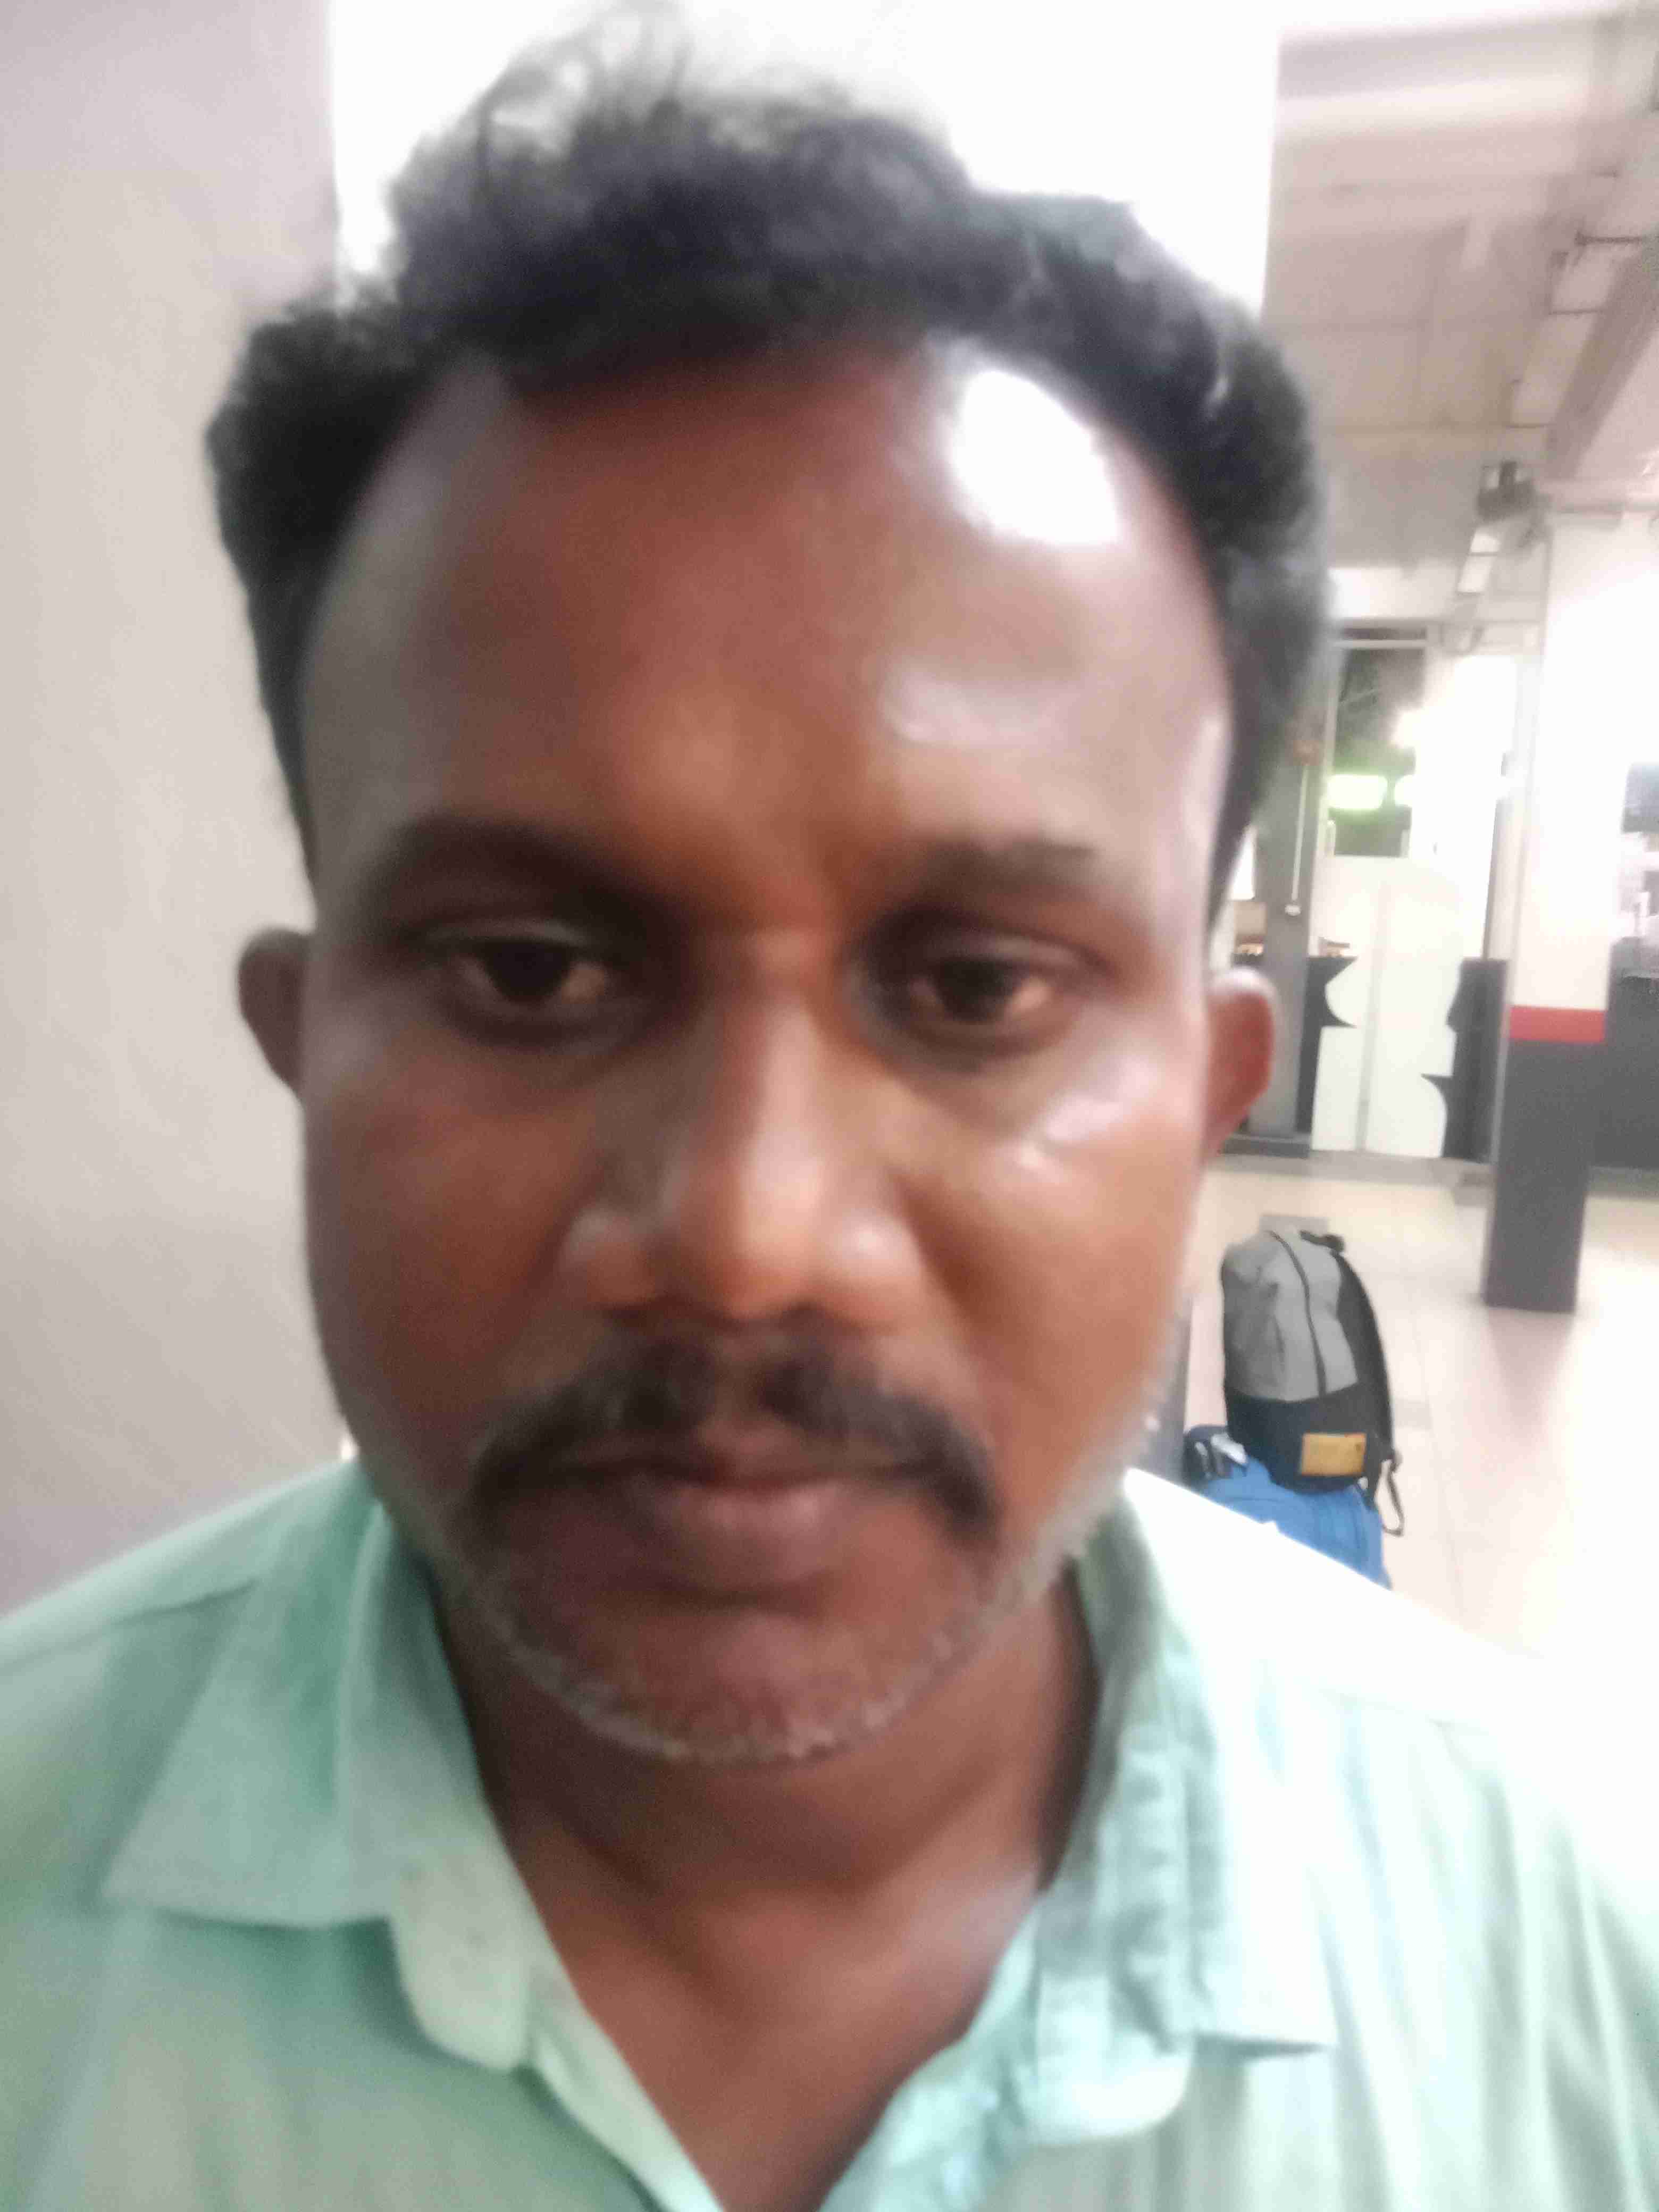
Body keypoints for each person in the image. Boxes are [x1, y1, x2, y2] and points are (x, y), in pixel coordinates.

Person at [2, 43, 1653, 2212]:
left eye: (974, 987)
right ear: (308, 1048)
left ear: (1208, 1095)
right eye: (531, 970)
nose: (745, 1229)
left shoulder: (1583, 1956)